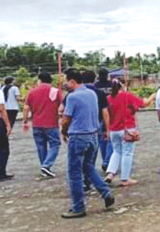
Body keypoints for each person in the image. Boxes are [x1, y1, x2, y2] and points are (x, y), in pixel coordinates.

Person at [60, 68, 114, 219]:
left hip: (78, 136)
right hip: (93, 135)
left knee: (75, 173)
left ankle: (78, 207)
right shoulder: (92, 93)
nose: (65, 84)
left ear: (72, 81)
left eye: (66, 81)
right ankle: (106, 193)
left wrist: (63, 131)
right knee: (88, 167)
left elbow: (66, 118)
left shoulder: (72, 97)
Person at [104, 78, 155, 186]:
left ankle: (110, 173)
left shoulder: (109, 98)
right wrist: (152, 97)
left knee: (116, 152)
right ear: (123, 85)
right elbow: (143, 104)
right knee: (127, 153)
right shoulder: (127, 96)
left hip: (114, 130)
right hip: (127, 129)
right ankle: (125, 178)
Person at [23, 72, 62, 179]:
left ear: (39, 80)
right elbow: (62, 106)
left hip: (37, 124)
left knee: (41, 146)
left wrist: (25, 121)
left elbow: (26, 108)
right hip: (51, 123)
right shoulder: (55, 91)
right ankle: (46, 165)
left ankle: (44, 169)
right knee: (55, 144)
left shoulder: (32, 92)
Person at [82, 70, 111, 173]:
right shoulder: (105, 88)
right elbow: (105, 111)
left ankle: (88, 168)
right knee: (105, 142)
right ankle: (106, 162)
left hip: (85, 121)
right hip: (102, 119)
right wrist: (108, 128)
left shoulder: (91, 88)